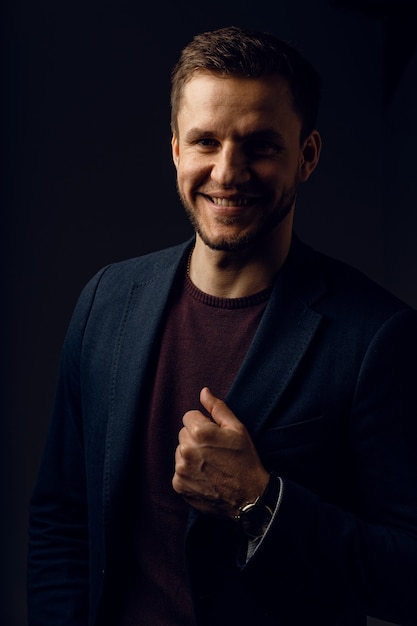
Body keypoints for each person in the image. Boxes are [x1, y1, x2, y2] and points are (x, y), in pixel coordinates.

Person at [27, 25, 417, 626]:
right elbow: (61, 517)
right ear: (177, 149)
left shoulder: (376, 337)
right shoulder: (106, 300)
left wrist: (260, 502)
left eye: (260, 145)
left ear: (307, 155)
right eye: (206, 141)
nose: (228, 172)